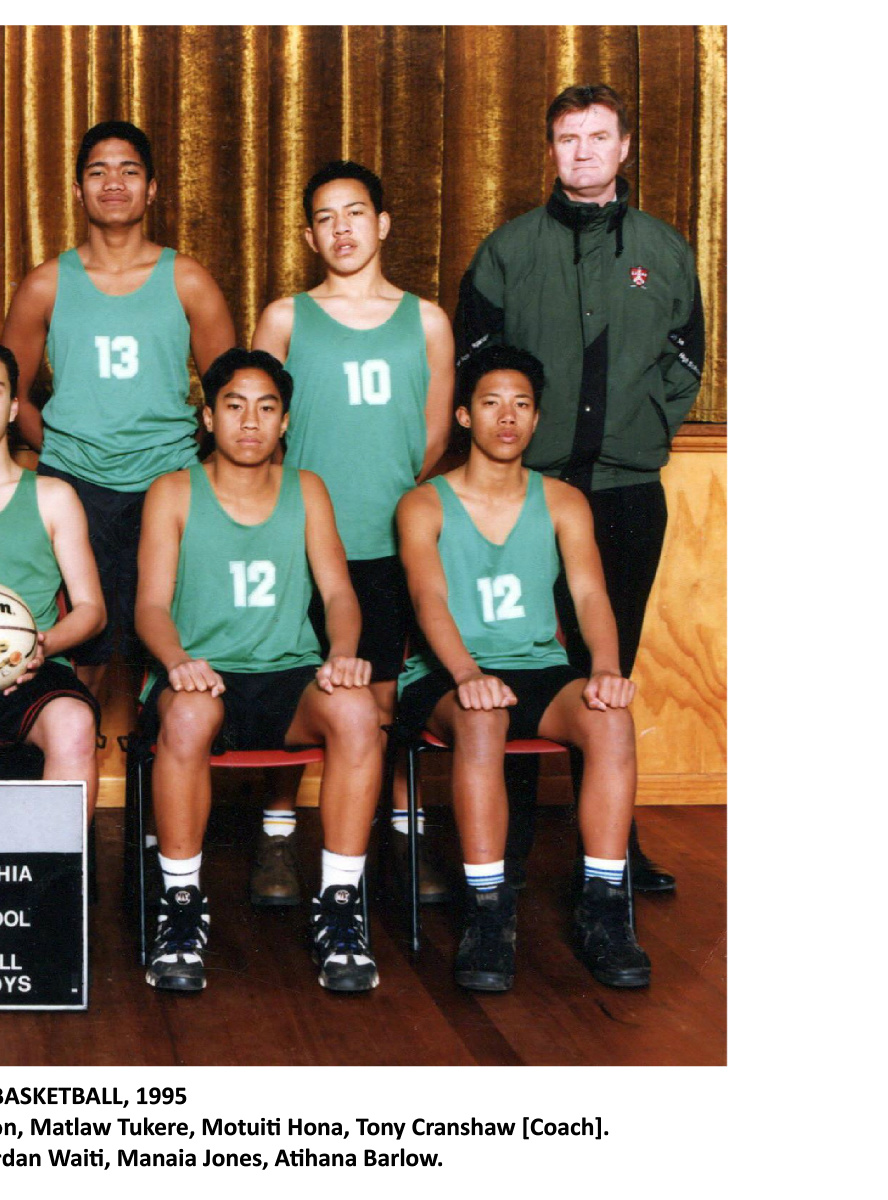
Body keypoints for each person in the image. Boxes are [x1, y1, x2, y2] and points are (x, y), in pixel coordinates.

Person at [455, 84, 705, 892]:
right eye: (568, 138)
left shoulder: (664, 249)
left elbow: (688, 355)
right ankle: (509, 842)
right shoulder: (508, 249)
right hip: (528, 491)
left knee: (610, 659)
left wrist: (646, 423)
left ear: (624, 147)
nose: (584, 151)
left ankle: (614, 846)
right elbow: (476, 359)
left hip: (628, 490)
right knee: (519, 656)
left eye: (599, 137)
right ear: (551, 151)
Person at [397, 344, 648, 992]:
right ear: (463, 415)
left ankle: (604, 910)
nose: (506, 417)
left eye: (521, 405)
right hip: (447, 672)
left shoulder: (563, 501)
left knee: (611, 719)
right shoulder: (424, 503)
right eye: (491, 403)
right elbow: (429, 599)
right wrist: (467, 675)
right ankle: (489, 913)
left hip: (537, 666)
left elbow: (589, 595)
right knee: (483, 720)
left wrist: (606, 668)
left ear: (536, 419)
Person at [135, 348, 382, 994]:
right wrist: (178, 662)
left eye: (267, 408)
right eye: (235, 406)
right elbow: (151, 606)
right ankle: (181, 910)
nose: (250, 421)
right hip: (202, 676)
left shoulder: (307, 489)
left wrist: (343, 654)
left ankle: (340, 908)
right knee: (189, 715)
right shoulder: (173, 492)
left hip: (288, 677)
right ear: (208, 416)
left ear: (285, 421)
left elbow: (339, 593)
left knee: (358, 710)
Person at [252, 160, 453, 906]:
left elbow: (433, 435)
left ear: (383, 223)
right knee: (296, 685)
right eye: (325, 217)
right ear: (309, 236)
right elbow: (256, 429)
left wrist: (387, 504)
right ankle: (277, 837)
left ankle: (400, 837)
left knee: (385, 697)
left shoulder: (427, 321)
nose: (342, 229)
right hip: (304, 543)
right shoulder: (285, 318)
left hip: (393, 544)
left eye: (356, 212)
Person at [0, 120, 236, 695]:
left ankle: (160, 744)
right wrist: (62, 448)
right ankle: (82, 736)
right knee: (85, 641)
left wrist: (179, 456)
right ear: (77, 190)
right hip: (75, 481)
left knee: (175, 628)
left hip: (167, 481)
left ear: (151, 189)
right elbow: (12, 393)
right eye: (97, 171)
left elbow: (230, 393)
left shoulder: (188, 279)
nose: (113, 182)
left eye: (129, 171)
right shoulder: (46, 284)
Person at [0, 346, 106, 814]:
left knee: (73, 722)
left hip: (32, 672)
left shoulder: (52, 497)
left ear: (12, 408)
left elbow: (92, 610)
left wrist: (40, 646)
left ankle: (52, 862)